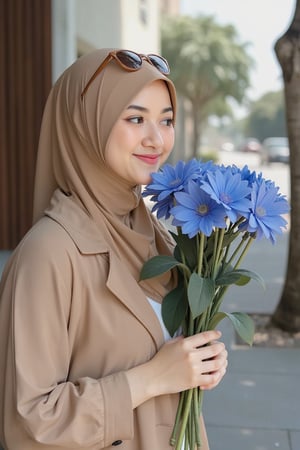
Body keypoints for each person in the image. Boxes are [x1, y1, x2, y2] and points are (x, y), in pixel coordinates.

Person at [0, 48, 228, 450]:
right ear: (86, 124)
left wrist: (197, 363)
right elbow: (28, 422)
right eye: (135, 118)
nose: (156, 139)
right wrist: (153, 378)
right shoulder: (49, 253)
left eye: (166, 120)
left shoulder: (158, 235)